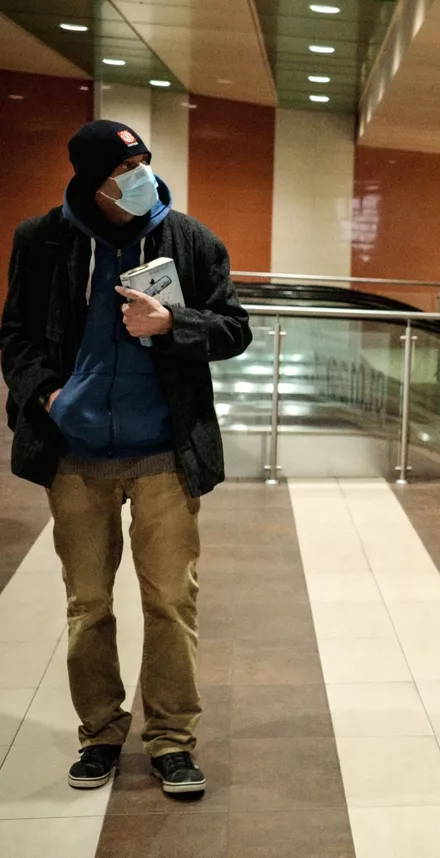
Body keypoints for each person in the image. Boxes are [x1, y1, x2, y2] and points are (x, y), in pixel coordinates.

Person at [0, 120, 251, 797]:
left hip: (166, 454)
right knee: (88, 605)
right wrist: (46, 397)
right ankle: (100, 735)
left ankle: (172, 740)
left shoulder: (189, 239)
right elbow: (16, 335)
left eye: (143, 159)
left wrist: (175, 325)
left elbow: (235, 327)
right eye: (125, 165)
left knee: (171, 601)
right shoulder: (44, 240)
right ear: (92, 178)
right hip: (77, 457)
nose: (140, 174)